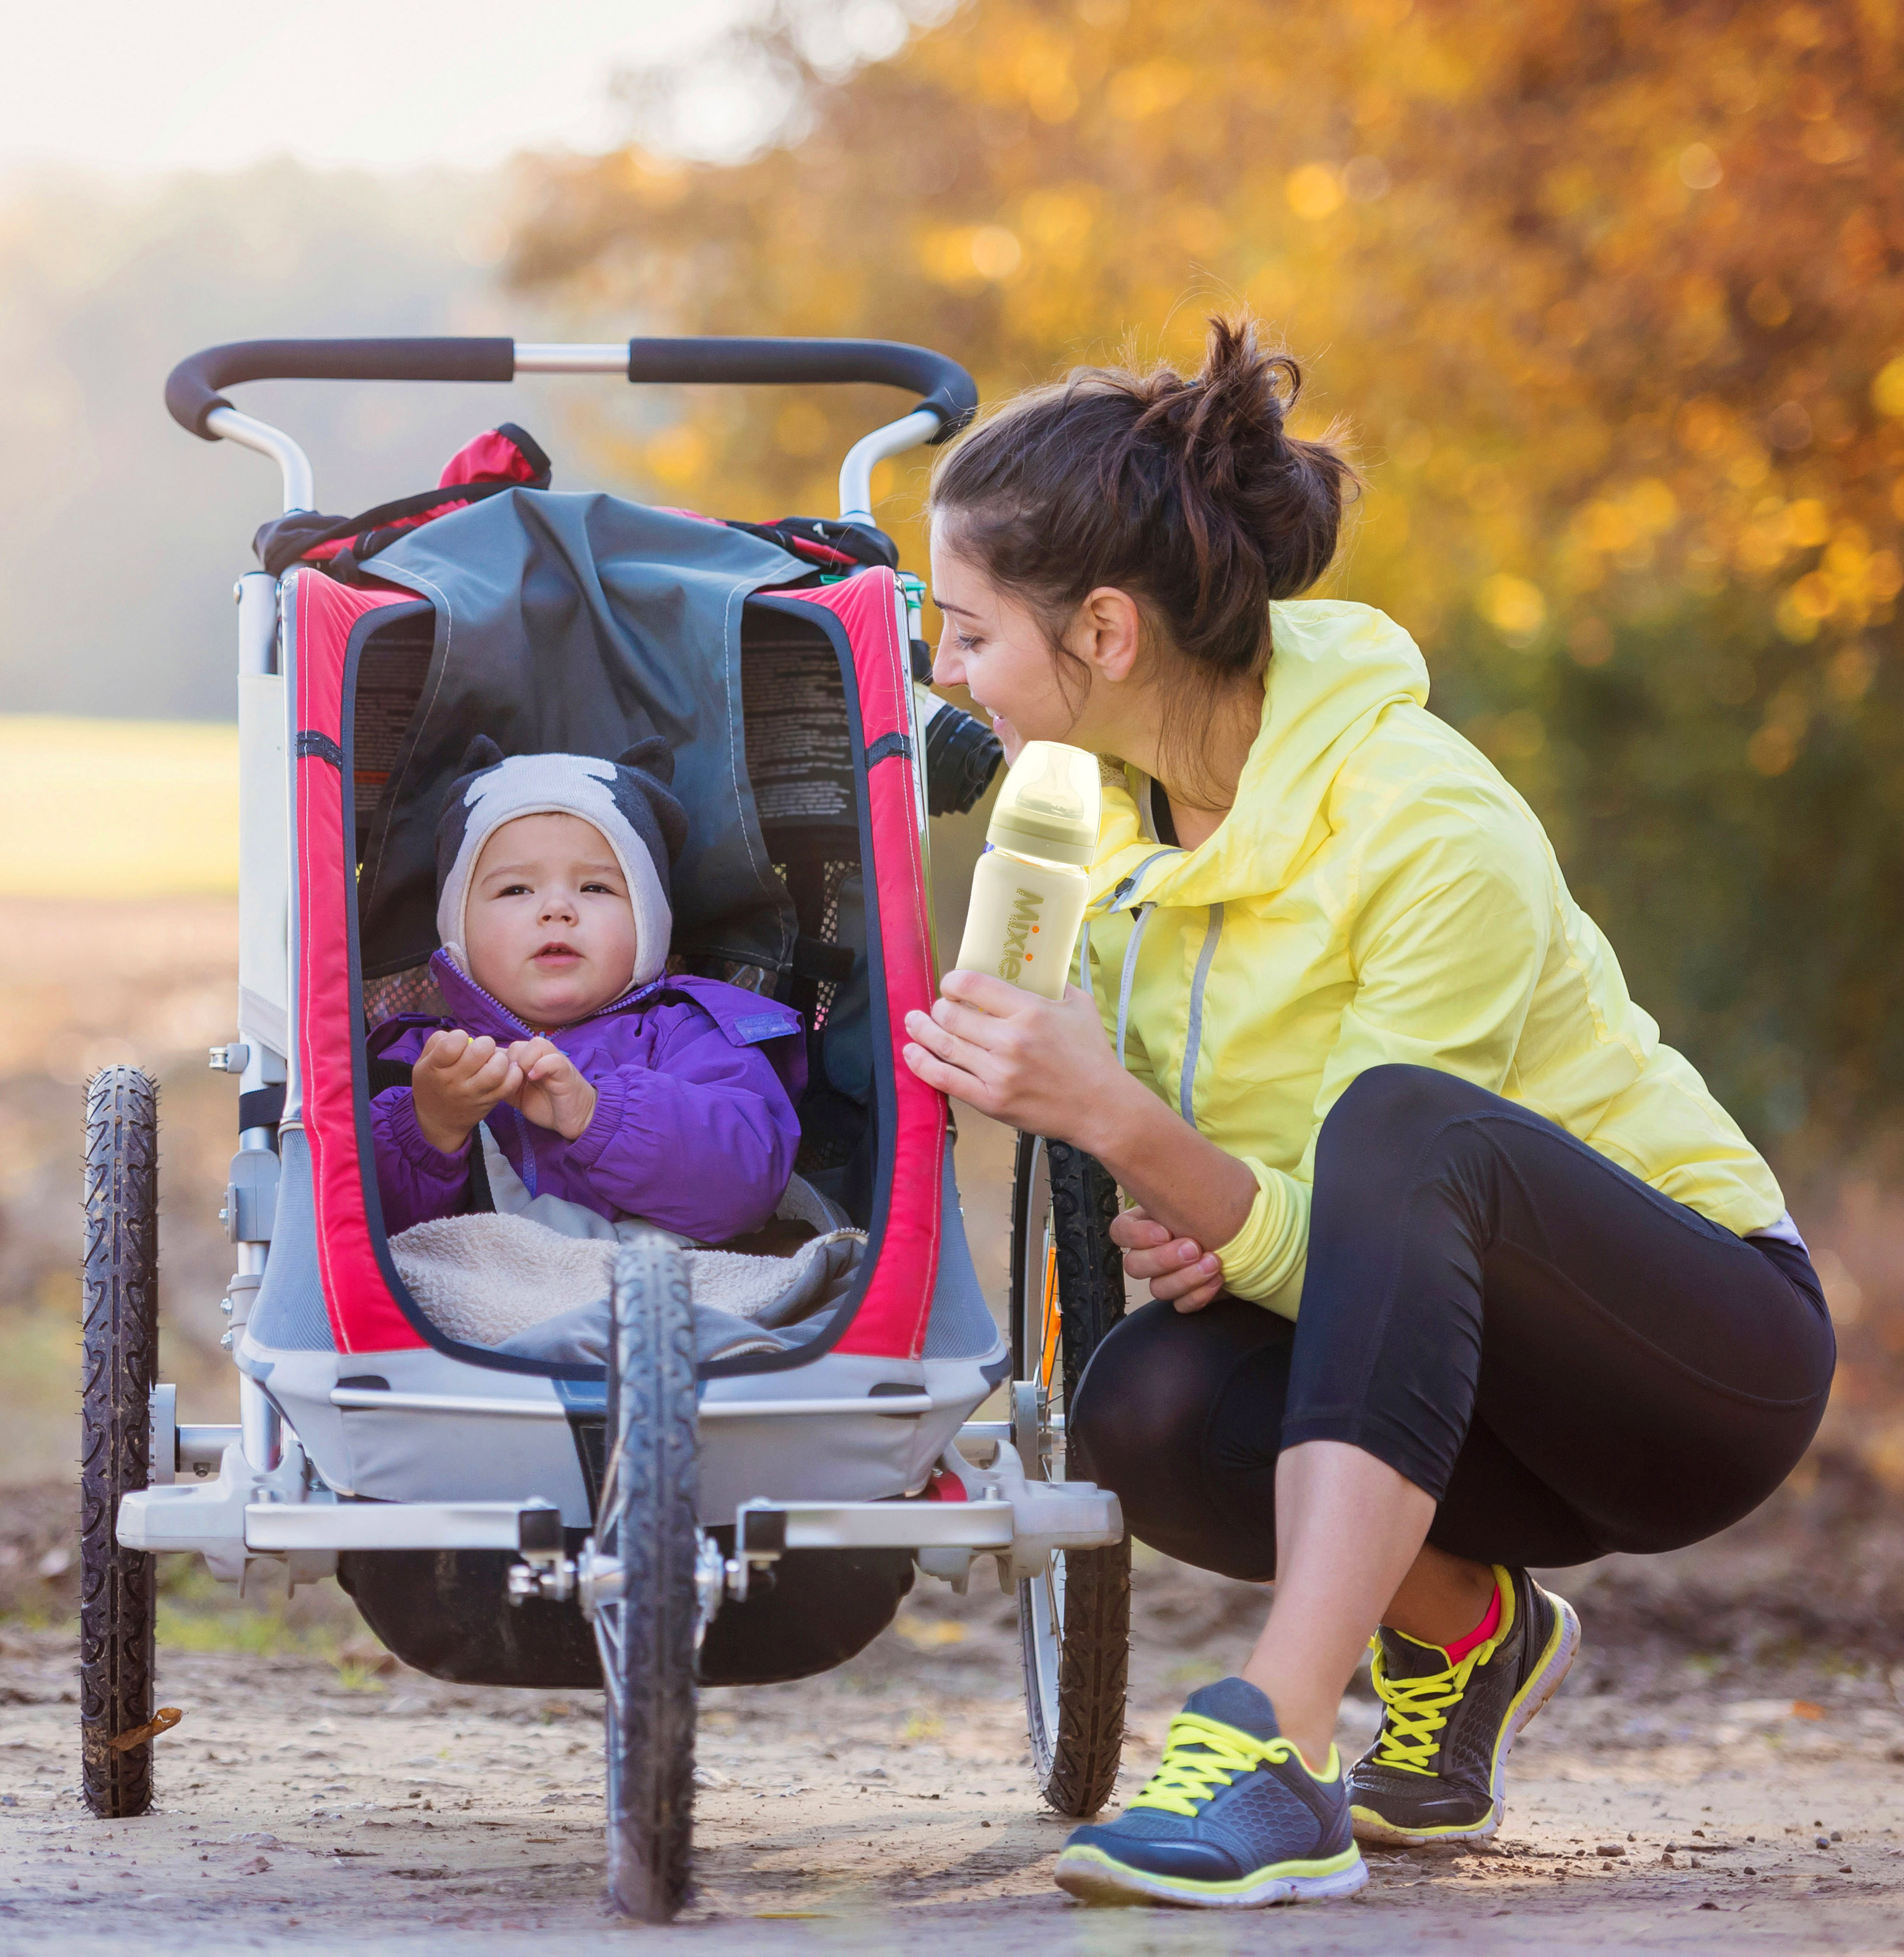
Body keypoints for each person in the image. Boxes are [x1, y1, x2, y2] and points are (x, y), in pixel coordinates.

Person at [901, 318, 1833, 1911]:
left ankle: (1275, 1738)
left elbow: (1393, 1175)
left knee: (1407, 1125)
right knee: (1141, 1406)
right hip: (1451, 1391)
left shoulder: (1420, 818)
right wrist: (1192, 1201)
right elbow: (1305, 1235)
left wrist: (1134, 1131)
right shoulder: (1109, 839)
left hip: (1691, 1360)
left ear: (1106, 633)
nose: (942, 672)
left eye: (967, 632)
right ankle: (1467, 1628)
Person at [369, 734, 803, 1244]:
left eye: (595, 888)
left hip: (654, 1301)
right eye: (516, 889)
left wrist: (600, 1114)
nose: (557, 909)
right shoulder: (421, 1061)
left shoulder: (690, 1035)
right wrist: (430, 1128)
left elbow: (749, 1185)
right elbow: (363, 1229)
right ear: (458, 932)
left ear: (649, 924)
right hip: (474, 1309)